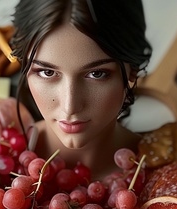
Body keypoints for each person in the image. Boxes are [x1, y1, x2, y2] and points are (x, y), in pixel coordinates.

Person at [10, 0, 152, 179]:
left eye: (97, 74)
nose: (70, 107)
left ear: (133, 70)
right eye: (47, 72)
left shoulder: (163, 173)